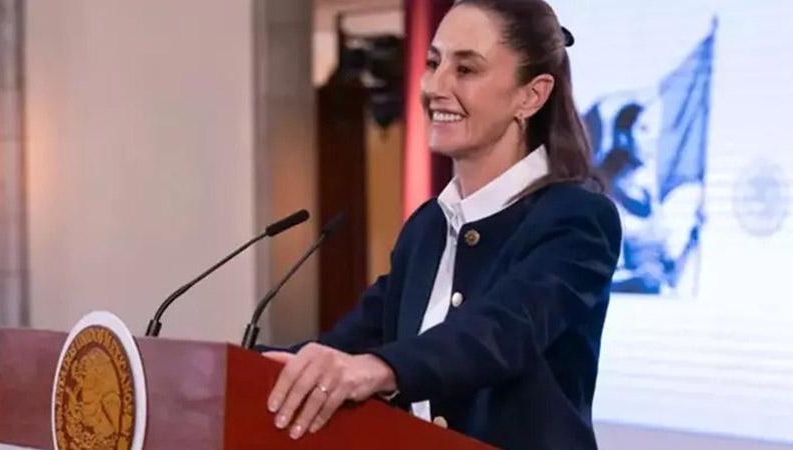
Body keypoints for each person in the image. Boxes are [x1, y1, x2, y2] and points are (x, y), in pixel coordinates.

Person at [260, 1, 622, 448]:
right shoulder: (428, 227)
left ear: (532, 95)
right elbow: (349, 343)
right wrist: (237, 367)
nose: (435, 86)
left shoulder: (578, 218)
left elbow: (500, 333)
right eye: (433, 63)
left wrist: (380, 369)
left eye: (465, 69)